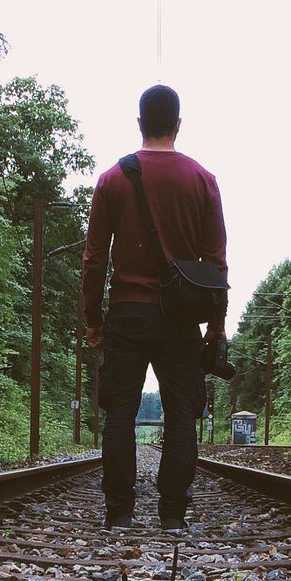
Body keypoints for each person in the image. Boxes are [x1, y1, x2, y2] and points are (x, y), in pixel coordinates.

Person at [82, 84, 228, 531]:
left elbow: (94, 258)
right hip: (181, 317)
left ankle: (120, 513)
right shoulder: (203, 180)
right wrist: (215, 328)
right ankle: (172, 515)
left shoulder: (112, 179)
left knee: (121, 411)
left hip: (126, 311)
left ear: (140, 123)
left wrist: (93, 319)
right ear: (178, 125)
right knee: (181, 412)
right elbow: (216, 264)